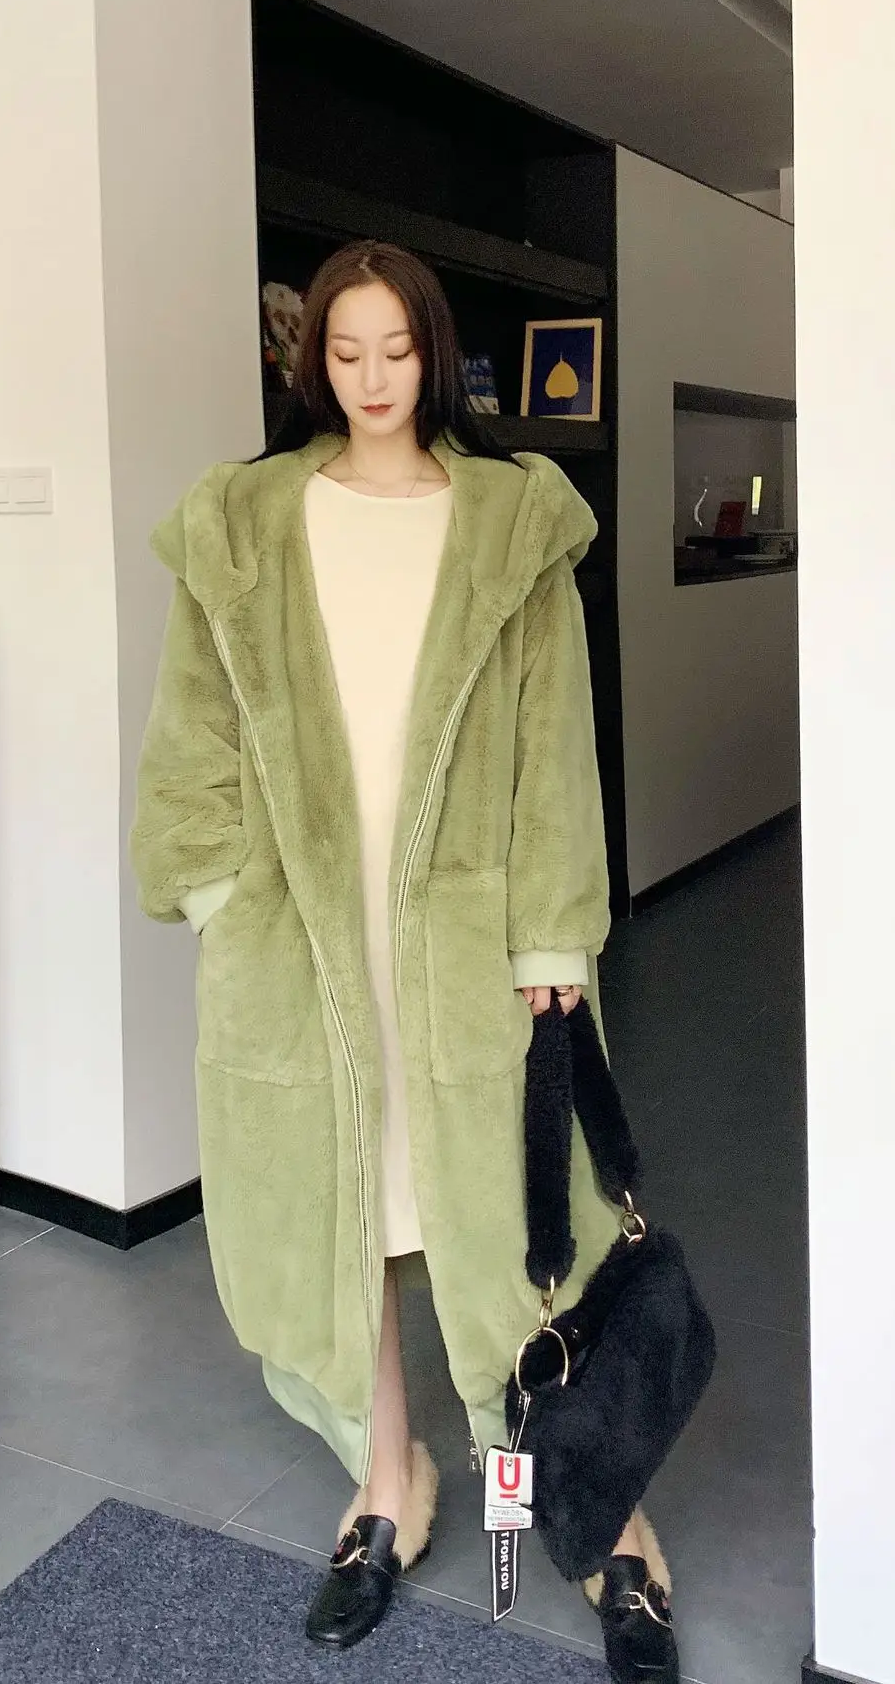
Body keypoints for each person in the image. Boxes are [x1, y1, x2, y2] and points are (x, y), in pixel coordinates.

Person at [132, 241, 677, 1681]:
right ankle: (389, 1479)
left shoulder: (509, 523)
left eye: (396, 349)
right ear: (311, 358)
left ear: (434, 351)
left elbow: (556, 747)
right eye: (345, 351)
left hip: (469, 939)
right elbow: (192, 733)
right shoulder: (245, 521)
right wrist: (222, 897)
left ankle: (597, 1511)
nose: (373, 379)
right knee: (347, 1214)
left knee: (521, 1225)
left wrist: (552, 930)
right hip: (305, 937)